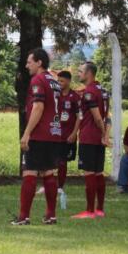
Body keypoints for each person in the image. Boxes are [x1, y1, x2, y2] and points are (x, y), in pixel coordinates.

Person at [12, 48, 62, 226]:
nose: (26, 66)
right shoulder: (54, 81)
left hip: (39, 133)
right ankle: (51, 215)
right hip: (54, 133)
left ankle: (23, 217)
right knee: (48, 172)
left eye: (29, 62)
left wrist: (27, 133)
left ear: (39, 62)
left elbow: (38, 107)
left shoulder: (38, 80)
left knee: (29, 172)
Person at [72, 62, 110, 219]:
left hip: (89, 136)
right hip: (99, 138)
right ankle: (99, 209)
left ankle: (89, 211)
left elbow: (98, 117)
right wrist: (105, 135)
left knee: (89, 173)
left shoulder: (89, 92)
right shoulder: (103, 91)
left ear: (89, 73)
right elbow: (107, 117)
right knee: (98, 173)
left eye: (80, 71)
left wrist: (103, 133)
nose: (78, 73)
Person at [53, 70, 80, 206]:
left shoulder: (75, 97)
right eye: (58, 81)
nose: (59, 83)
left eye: (62, 81)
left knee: (63, 162)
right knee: (51, 161)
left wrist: (74, 133)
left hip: (67, 135)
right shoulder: (55, 95)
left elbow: (79, 117)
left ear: (69, 81)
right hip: (55, 134)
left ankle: (60, 186)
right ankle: (49, 185)